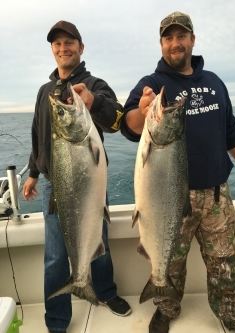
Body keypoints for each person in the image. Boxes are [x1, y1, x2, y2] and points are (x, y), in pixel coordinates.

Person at [120, 11, 235, 333]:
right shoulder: (152, 84)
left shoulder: (215, 82)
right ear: (161, 44)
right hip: (172, 197)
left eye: (181, 36)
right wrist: (144, 110)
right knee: (170, 263)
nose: (175, 43)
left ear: (192, 39)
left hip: (217, 196)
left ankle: (233, 316)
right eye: (168, 38)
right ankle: (166, 307)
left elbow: (230, 130)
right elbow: (129, 126)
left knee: (225, 263)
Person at [23, 20, 131, 333]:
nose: (63, 48)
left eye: (69, 42)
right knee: (56, 255)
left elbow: (117, 121)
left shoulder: (95, 84)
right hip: (54, 184)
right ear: (52, 50)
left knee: (99, 243)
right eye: (57, 44)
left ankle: (106, 292)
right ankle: (57, 319)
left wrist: (93, 102)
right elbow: (38, 136)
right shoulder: (45, 92)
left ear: (80, 48)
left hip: (89, 182)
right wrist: (32, 174)